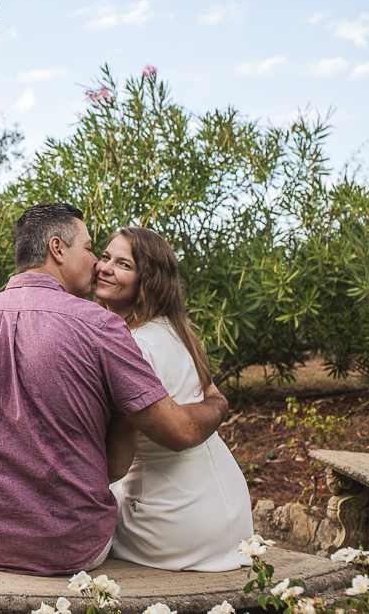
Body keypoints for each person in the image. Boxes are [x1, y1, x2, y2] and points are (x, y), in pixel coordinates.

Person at [0, 203, 230, 576]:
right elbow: (131, 457)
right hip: (71, 547)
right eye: (89, 249)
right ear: (57, 249)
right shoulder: (102, 327)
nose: (97, 264)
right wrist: (217, 402)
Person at [97, 227, 253, 571]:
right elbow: (210, 394)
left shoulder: (132, 347)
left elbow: (114, 465)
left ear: (148, 281)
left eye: (123, 264)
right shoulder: (175, 329)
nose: (104, 267)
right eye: (105, 257)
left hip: (175, 521)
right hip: (230, 512)